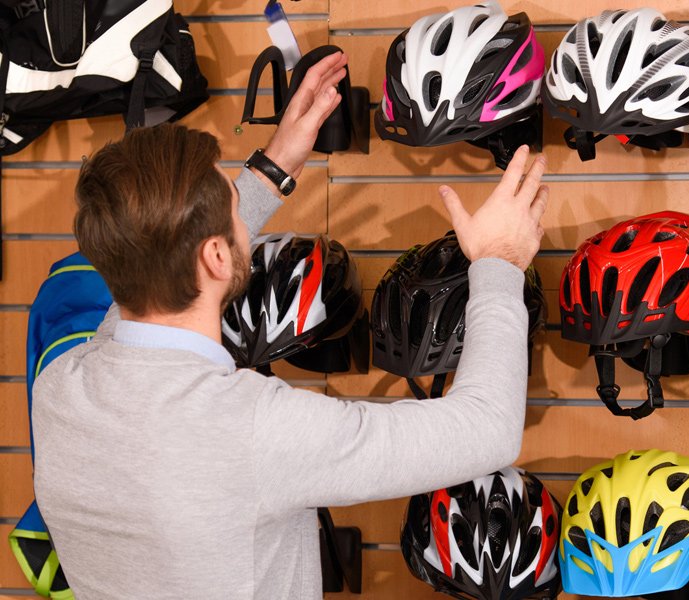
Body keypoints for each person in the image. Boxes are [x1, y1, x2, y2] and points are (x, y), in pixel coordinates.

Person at [32, 52, 549, 599]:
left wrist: (269, 173)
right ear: (214, 256)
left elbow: (137, 294)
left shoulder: (62, 388)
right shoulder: (253, 429)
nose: (240, 215)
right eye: (233, 206)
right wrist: (498, 262)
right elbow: (487, 429)